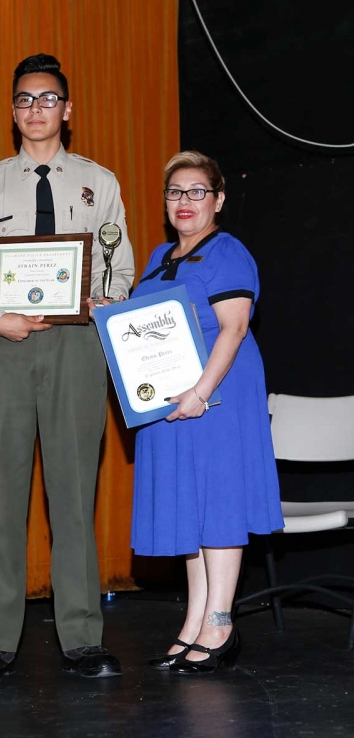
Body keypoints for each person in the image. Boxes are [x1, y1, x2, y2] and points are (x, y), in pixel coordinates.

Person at [0, 53, 134, 682]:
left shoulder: (98, 183)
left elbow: (119, 264)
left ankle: (82, 637)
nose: (35, 110)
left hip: (77, 345)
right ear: (13, 110)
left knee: (74, 492)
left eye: (47, 99)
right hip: (1, 346)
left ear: (67, 109)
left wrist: (110, 299)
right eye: (24, 100)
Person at [130, 151, 284, 675]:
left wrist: (199, 390)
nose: (185, 201)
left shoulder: (227, 251)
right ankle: (194, 623)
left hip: (217, 396)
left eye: (197, 191)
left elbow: (235, 328)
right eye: (175, 192)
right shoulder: (157, 256)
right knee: (190, 511)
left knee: (216, 506)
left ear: (217, 199)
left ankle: (220, 623)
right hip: (171, 403)